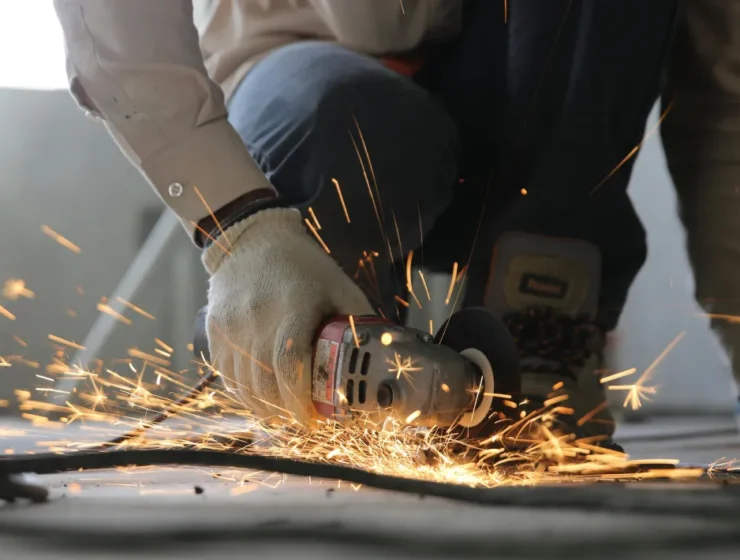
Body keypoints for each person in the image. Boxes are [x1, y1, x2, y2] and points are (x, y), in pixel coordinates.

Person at [53, 0, 690, 444]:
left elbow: (725, 97)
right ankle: (320, 343)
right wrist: (239, 229)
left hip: (533, 116)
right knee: (348, 121)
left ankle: (541, 327)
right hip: (305, 83)